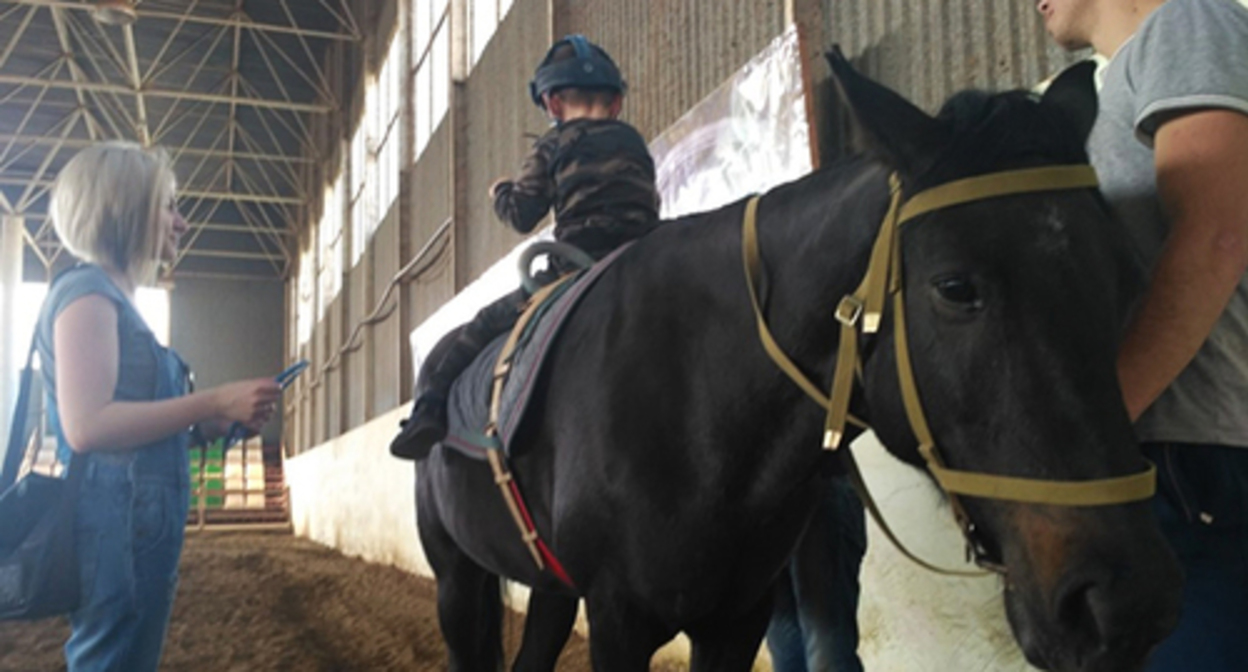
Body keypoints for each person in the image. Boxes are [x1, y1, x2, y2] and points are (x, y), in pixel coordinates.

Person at [1036, 0, 1248, 668]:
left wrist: (1091, 431)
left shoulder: (1186, 24)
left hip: (1202, 456)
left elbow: (1217, 234)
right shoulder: (1116, 86)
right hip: (1163, 455)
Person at [37, 141, 282, 671]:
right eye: (169, 206)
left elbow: (123, 421)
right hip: (118, 523)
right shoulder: (87, 294)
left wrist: (207, 425)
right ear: (125, 210)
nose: (182, 222)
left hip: (135, 520)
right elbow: (87, 425)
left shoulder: (113, 300)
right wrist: (212, 399)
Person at [392, 34, 660, 459]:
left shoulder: (552, 145)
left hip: (577, 267)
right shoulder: (633, 142)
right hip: (644, 256)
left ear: (552, 105)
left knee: (481, 326)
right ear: (616, 104)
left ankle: (427, 412)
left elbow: (522, 216)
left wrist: (500, 191)